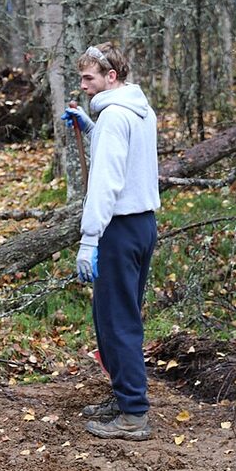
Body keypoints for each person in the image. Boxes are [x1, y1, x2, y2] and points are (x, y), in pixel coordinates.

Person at [61, 42, 160, 441]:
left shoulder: (116, 117)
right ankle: (124, 395)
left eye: (89, 78)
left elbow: (106, 181)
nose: (84, 85)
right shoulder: (138, 110)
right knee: (119, 316)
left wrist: (89, 239)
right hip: (142, 224)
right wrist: (91, 127)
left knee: (116, 321)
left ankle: (134, 412)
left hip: (118, 229)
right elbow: (130, 157)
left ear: (111, 77)